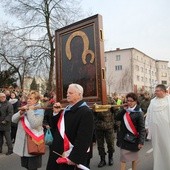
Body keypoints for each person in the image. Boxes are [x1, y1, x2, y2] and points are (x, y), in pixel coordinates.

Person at [46, 83, 94, 170]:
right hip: (58, 152)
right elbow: (56, 128)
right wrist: (56, 113)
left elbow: (84, 139)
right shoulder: (67, 109)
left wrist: (74, 158)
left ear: (79, 95)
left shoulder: (85, 112)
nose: (67, 94)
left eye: (71, 93)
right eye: (67, 92)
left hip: (69, 155)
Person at [12, 91, 45, 170]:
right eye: (28, 98)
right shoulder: (25, 107)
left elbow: (35, 124)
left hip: (34, 143)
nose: (28, 100)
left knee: (32, 167)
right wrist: (21, 112)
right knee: (26, 166)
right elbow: (13, 120)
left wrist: (30, 111)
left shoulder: (40, 110)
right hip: (23, 145)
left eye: (31, 98)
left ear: (36, 100)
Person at [116, 92, 145, 170]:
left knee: (134, 159)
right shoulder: (125, 110)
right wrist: (123, 110)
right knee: (123, 159)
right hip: (124, 139)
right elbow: (117, 118)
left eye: (131, 101)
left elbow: (142, 128)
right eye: (127, 100)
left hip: (133, 139)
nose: (129, 102)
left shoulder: (139, 112)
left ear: (135, 101)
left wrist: (141, 141)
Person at [145, 84, 170, 170]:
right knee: (157, 148)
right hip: (155, 130)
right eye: (155, 91)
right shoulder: (153, 102)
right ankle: (158, 167)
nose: (155, 92)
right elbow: (148, 114)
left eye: (157, 91)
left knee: (167, 147)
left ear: (163, 91)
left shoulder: (169, 100)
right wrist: (147, 126)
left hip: (167, 130)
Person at [94, 99, 115, 167]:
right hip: (99, 127)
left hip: (109, 126)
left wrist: (117, 126)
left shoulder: (111, 100)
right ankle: (102, 160)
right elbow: (92, 113)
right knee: (100, 145)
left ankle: (110, 157)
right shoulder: (96, 100)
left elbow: (116, 112)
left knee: (110, 143)